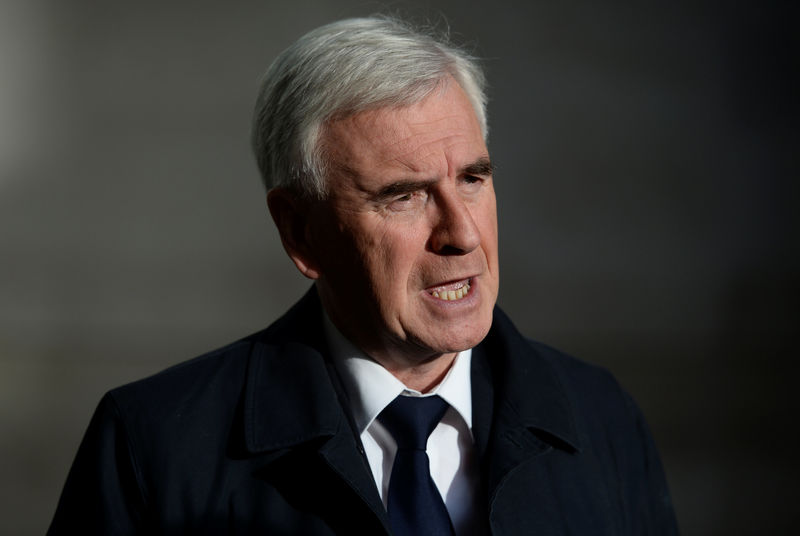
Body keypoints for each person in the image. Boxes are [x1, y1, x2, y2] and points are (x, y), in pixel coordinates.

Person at [48, 16, 679, 535]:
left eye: (473, 178)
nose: (461, 234)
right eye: (404, 195)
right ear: (299, 231)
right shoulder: (149, 446)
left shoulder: (601, 417)